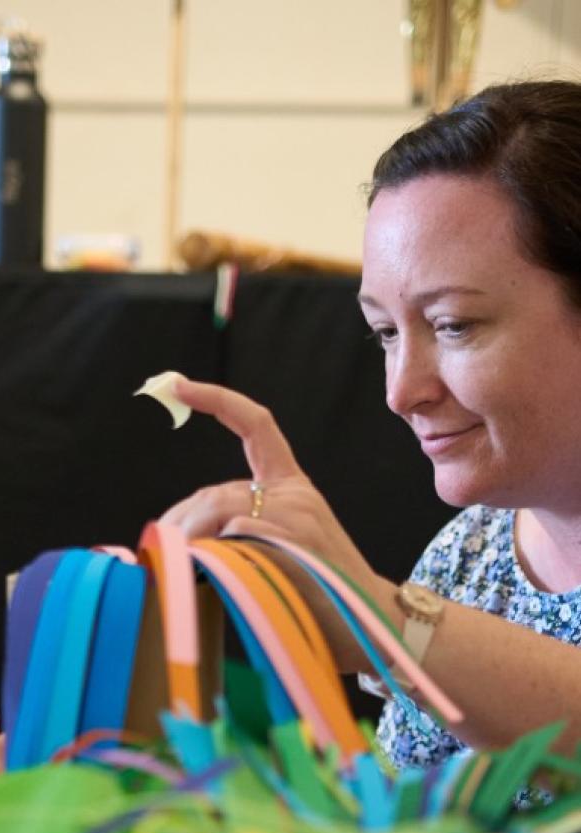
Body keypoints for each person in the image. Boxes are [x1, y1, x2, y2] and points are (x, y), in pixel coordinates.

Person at [157, 79, 581, 770]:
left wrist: (385, 622)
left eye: (453, 325)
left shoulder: (425, 609)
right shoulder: (467, 558)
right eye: (384, 332)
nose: (401, 391)